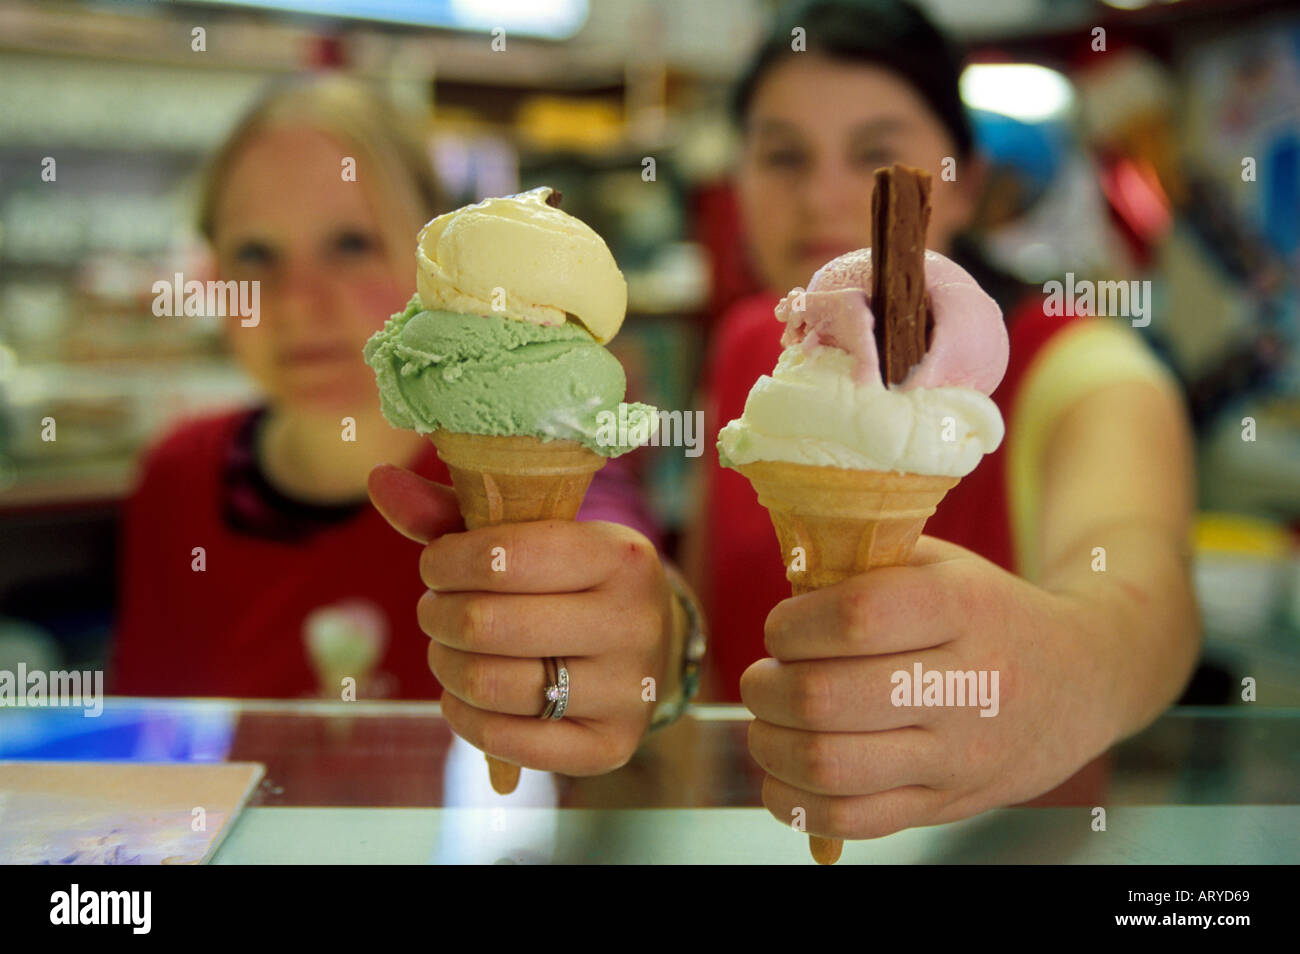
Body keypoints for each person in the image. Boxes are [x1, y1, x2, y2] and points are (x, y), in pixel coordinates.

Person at [688, 0, 1201, 842]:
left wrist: (1070, 672)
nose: (821, 196)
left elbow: (1149, 596)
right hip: (748, 836)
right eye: (782, 155)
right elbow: (709, 607)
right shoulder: (753, 342)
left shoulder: (1084, 369)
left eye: (876, 154)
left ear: (959, 181)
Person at [110, 74, 674, 781]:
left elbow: (629, 581)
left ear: (437, 268)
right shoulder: (178, 475)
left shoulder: (530, 450)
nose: (298, 303)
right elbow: (149, 739)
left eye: (350, 243)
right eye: (256, 255)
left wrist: (661, 643)